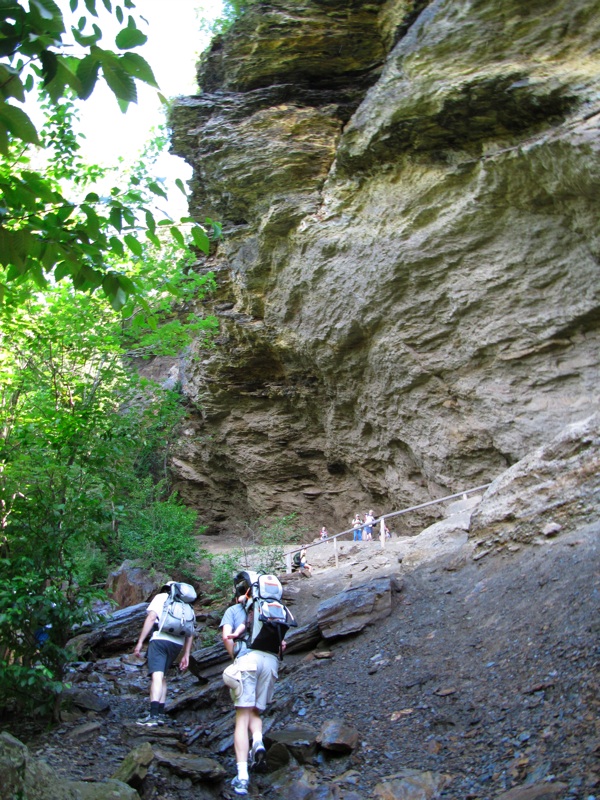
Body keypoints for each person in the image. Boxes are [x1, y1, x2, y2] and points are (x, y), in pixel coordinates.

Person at [221, 576, 286, 796]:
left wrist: (235, 656)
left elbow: (227, 636)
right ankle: (257, 740)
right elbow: (282, 643)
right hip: (270, 662)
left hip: (249, 660)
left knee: (242, 717)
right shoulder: (273, 608)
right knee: (256, 711)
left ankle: (242, 776)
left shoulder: (237, 609)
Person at [133, 582, 194, 727]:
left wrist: (141, 641)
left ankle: (153, 715)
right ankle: (160, 714)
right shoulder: (186, 605)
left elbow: (151, 618)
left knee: (157, 676)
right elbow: (191, 630)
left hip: (160, 640)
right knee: (163, 677)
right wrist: (186, 653)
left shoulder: (161, 598)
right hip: (177, 644)